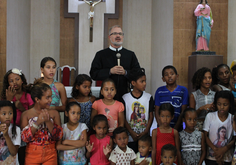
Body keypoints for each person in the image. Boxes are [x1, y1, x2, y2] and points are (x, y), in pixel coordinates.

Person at [90, 25, 140, 101]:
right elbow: (93, 73)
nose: (118, 36)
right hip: (106, 96)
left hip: (125, 94)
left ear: (123, 36)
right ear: (109, 37)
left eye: (120, 34)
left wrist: (125, 72)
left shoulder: (130, 54)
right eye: (115, 33)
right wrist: (109, 71)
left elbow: (138, 74)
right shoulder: (101, 54)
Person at [21, 79, 63, 165]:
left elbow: (58, 136)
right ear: (37, 99)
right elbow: (25, 138)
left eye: (51, 97)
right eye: (47, 97)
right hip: (32, 154)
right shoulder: (26, 114)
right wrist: (37, 123)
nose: (50, 100)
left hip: (50, 153)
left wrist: (48, 122)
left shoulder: (54, 113)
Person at [1, 68, 34, 165]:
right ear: (8, 84)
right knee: (11, 151)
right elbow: (4, 111)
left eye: (17, 79)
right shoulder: (7, 95)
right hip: (11, 129)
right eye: (11, 81)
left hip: (24, 129)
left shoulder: (27, 96)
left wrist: (21, 108)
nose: (15, 82)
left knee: (22, 153)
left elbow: (32, 115)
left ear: (22, 80)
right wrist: (10, 100)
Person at [122, 68, 154, 153]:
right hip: (130, 137)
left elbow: (151, 116)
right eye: (142, 81)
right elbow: (123, 117)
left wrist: (146, 131)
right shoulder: (125, 98)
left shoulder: (148, 97)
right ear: (133, 83)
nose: (145, 83)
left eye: (145, 81)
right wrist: (131, 132)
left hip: (144, 137)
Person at [203, 91, 235, 165]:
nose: (222, 107)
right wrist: (215, 150)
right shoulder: (210, 116)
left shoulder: (232, 118)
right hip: (211, 157)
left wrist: (224, 149)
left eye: (225, 104)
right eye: (219, 104)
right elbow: (205, 135)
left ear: (230, 104)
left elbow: (234, 138)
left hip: (227, 158)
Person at [155, 65, 189, 130]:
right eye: (166, 75)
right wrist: (161, 127)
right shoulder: (159, 91)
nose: (169, 76)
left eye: (172, 74)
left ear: (177, 76)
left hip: (178, 128)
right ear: (163, 79)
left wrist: (175, 129)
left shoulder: (183, 90)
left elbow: (183, 111)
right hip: (162, 128)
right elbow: (156, 111)